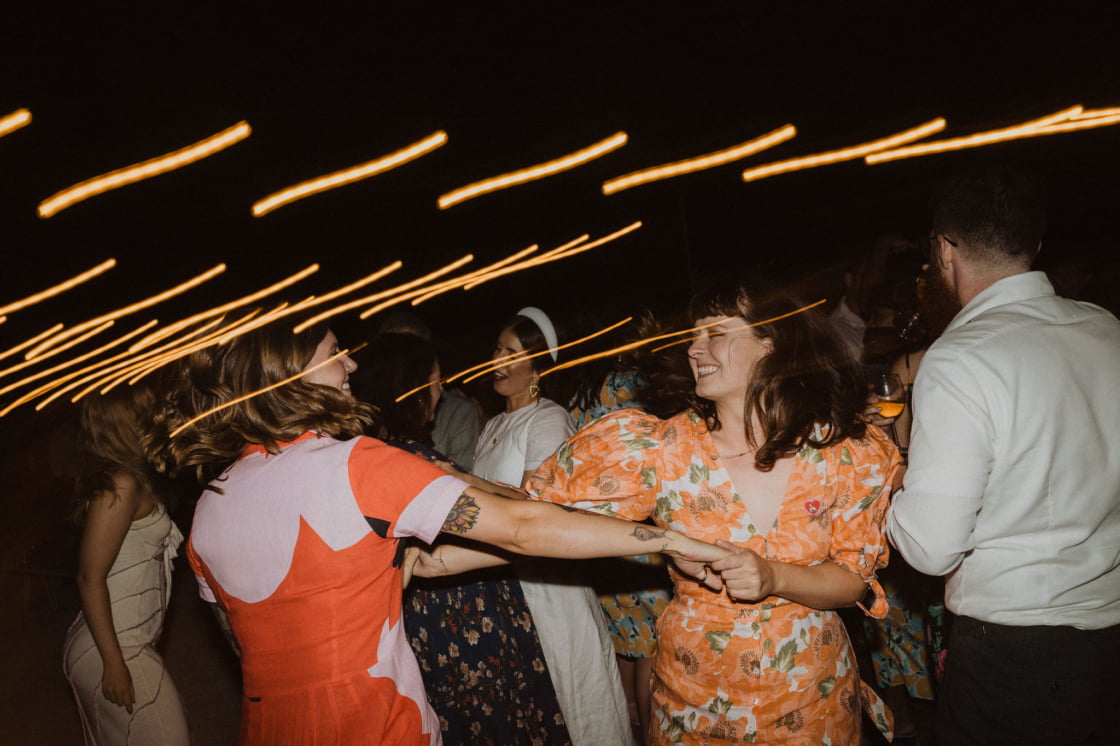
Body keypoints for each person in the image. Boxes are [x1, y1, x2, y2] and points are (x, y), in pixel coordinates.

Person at [155, 320, 726, 746]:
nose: (351, 366)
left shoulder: (211, 506)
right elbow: (523, 527)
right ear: (288, 374)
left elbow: (245, 639)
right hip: (381, 723)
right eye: (334, 354)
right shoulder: (359, 465)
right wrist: (669, 540)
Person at [429, 287, 902, 744]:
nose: (695, 348)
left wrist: (774, 577)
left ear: (771, 342)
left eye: (715, 333)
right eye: (693, 336)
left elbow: (852, 580)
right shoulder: (661, 449)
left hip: (811, 700)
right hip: (695, 703)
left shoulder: (843, 451)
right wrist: (443, 528)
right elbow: (541, 516)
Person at [886, 167, 1120, 746]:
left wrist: (890, 485)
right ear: (1035, 242)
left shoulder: (959, 358)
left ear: (944, 249)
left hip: (1017, 657)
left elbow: (931, 547)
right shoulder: (1106, 329)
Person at [355, 332, 571, 745]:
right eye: (434, 382)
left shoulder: (373, 454)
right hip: (467, 614)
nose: (440, 392)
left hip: (455, 600)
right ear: (412, 390)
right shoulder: (415, 462)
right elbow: (520, 521)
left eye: (512, 351)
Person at [471, 307, 636, 746]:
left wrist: (462, 482)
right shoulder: (493, 424)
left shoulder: (548, 418)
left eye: (511, 353)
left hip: (545, 586)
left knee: (568, 692)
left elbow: (536, 502)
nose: (497, 360)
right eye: (497, 349)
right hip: (504, 578)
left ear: (537, 366)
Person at [63, 382, 190, 746]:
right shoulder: (120, 484)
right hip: (114, 647)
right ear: (126, 422)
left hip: (126, 642)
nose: (158, 415)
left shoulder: (135, 479)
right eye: (148, 411)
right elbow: (88, 576)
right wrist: (114, 661)